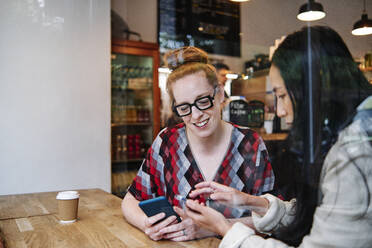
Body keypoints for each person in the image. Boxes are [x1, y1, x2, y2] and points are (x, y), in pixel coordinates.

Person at [184, 26, 372, 247]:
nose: (280, 111)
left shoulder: (356, 152)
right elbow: (318, 211)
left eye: (282, 96)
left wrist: (225, 228)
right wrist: (249, 201)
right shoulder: (348, 134)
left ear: (314, 90)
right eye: (184, 107)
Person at [121, 46, 275, 241]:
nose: (195, 115)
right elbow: (130, 200)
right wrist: (147, 224)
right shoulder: (167, 142)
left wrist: (211, 228)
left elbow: (271, 217)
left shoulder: (250, 144)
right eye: (184, 107)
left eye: (203, 101)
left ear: (219, 94)